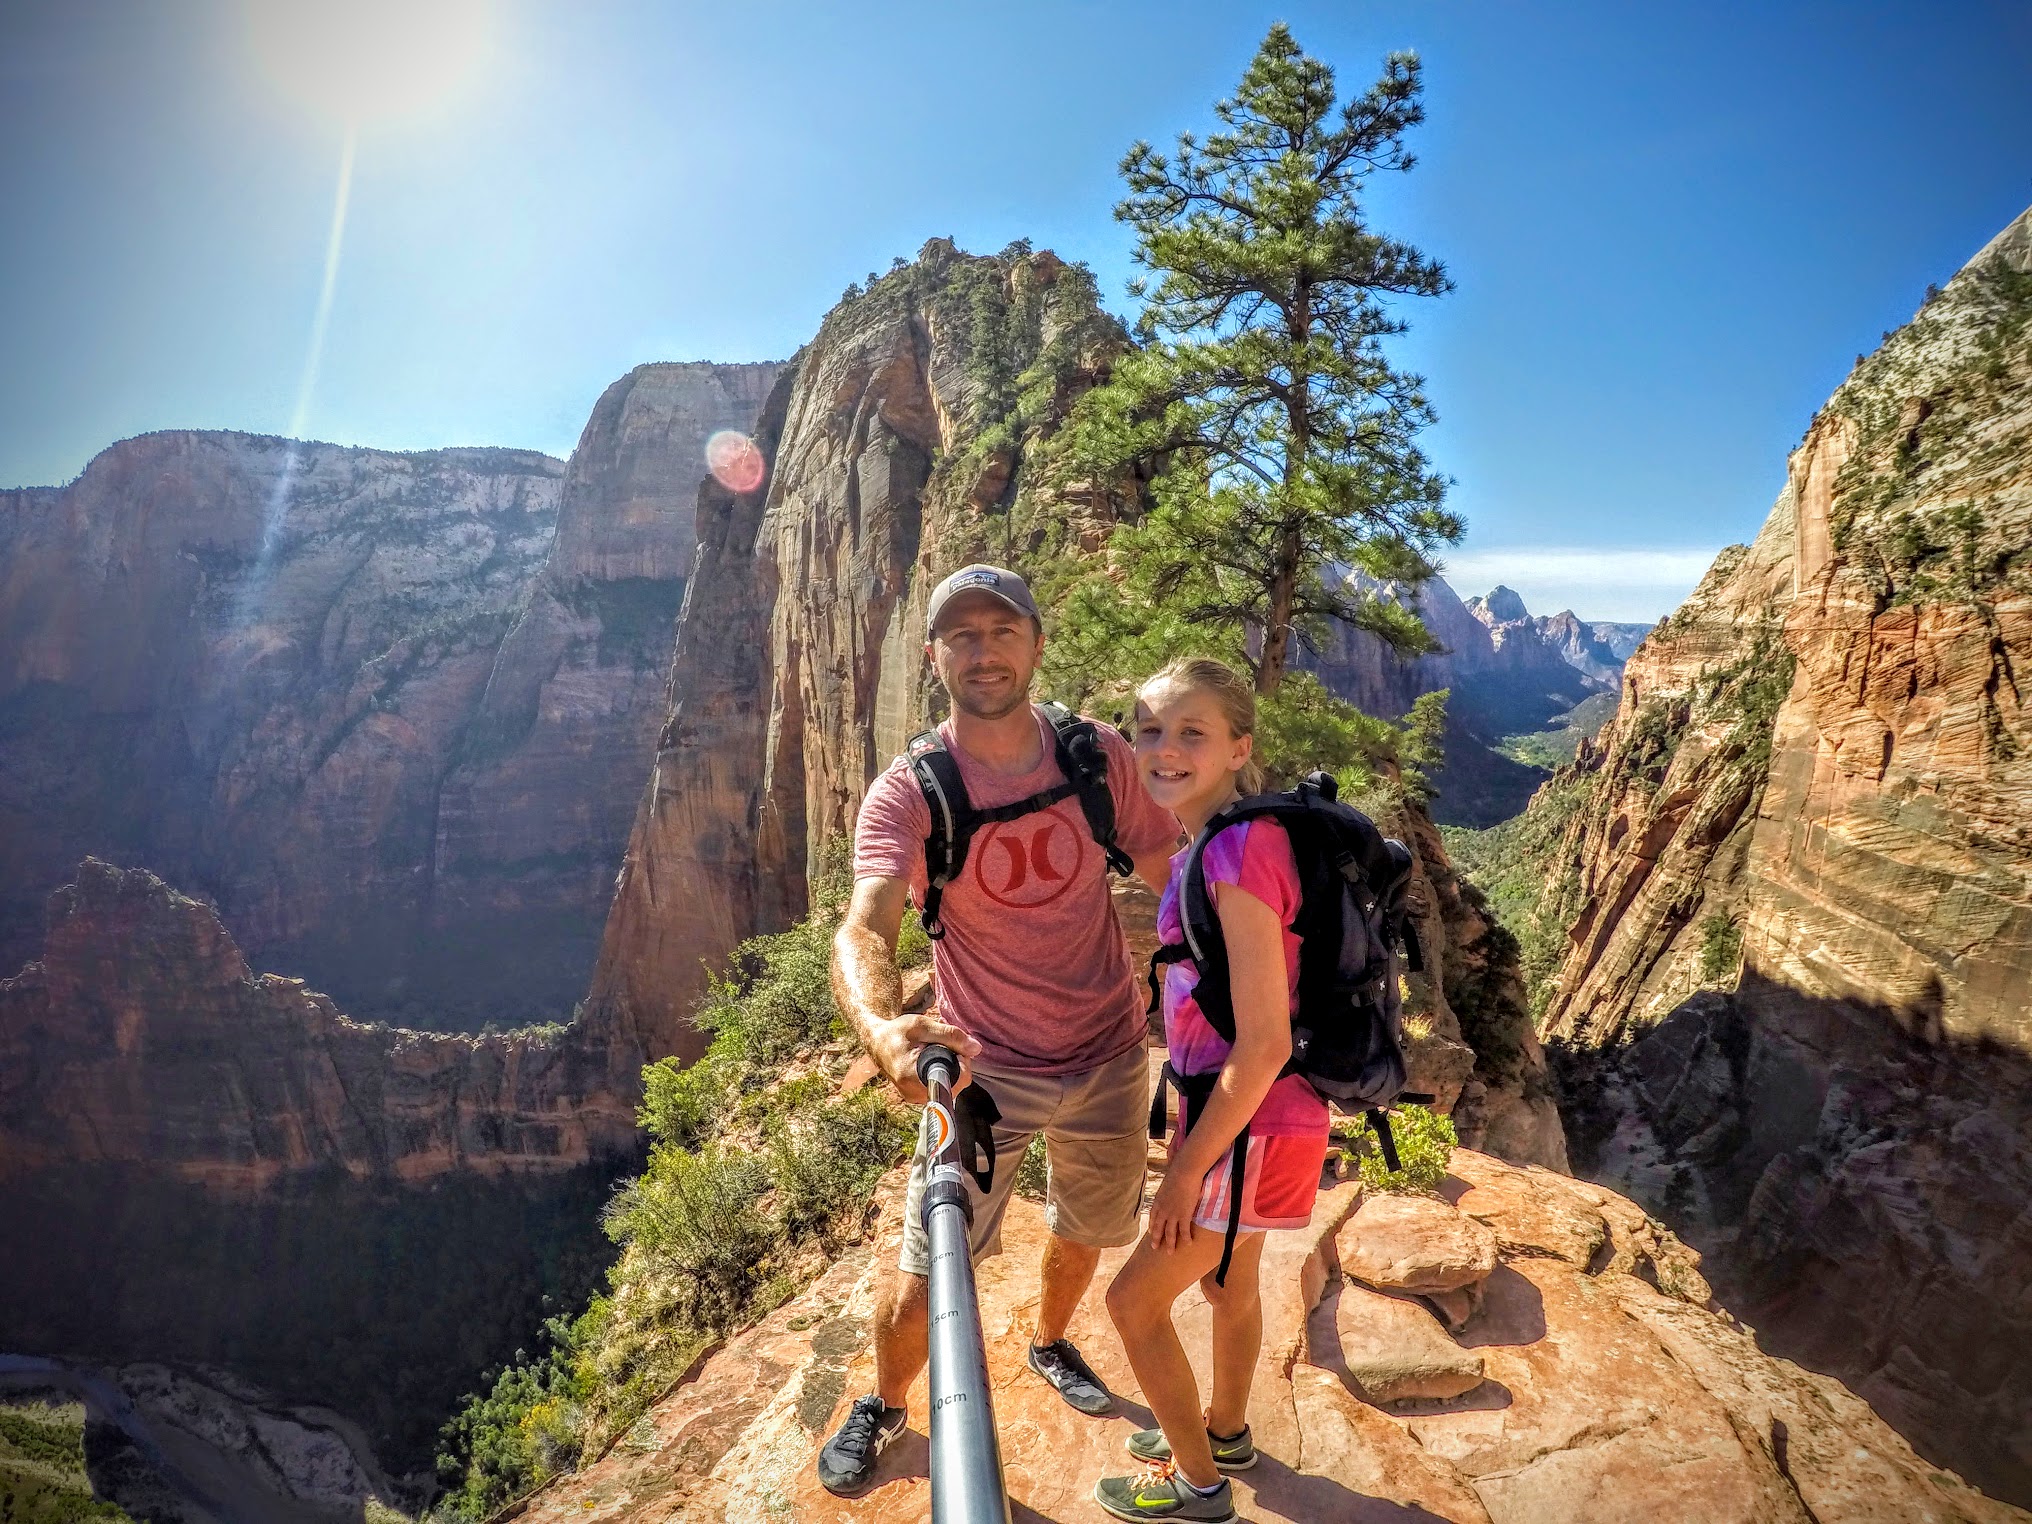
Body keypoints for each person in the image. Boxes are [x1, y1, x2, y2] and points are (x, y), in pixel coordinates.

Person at [816, 564, 1181, 1498]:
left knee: (1089, 1227)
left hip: (1109, 1053)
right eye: (962, 635)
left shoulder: (1094, 756)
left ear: (1035, 643)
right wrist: (882, 1025)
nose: (984, 651)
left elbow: (1171, 870)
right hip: (980, 1071)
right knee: (926, 1265)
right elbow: (865, 925)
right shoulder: (911, 792)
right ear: (933, 652)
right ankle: (887, 1403)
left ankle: (1050, 1340)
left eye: (1001, 630)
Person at [1092, 657, 1333, 1524]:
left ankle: (1199, 1487)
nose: (1165, 748)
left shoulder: (1236, 849)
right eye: (1149, 729)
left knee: (1131, 1304)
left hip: (1252, 1123)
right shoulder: (1216, 843)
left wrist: (1187, 1170)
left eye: (1193, 732)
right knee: (1230, 1286)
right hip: (1255, 1120)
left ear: (1240, 748)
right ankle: (1224, 1431)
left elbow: (1265, 1040)